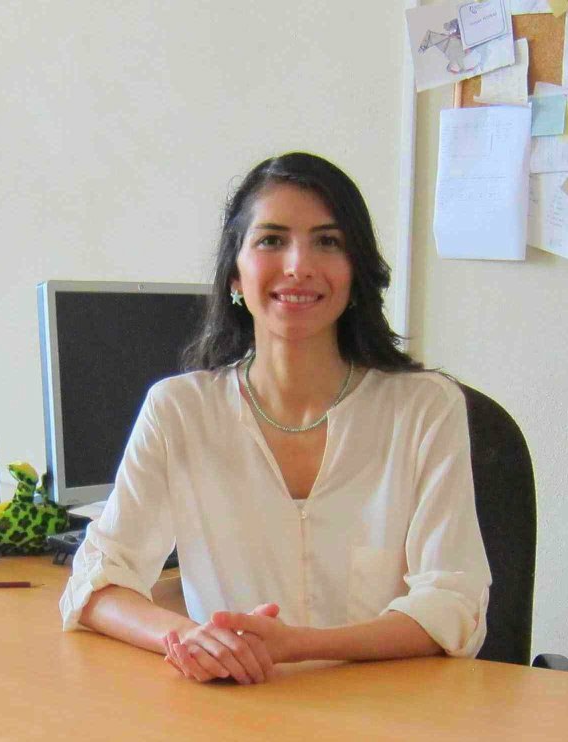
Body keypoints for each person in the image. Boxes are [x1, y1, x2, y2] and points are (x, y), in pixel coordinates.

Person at [59, 152, 491, 685]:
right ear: (234, 274)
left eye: (327, 242)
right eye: (271, 240)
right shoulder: (179, 410)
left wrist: (297, 647)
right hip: (238, 703)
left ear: (356, 272)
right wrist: (189, 638)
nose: (298, 266)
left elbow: (453, 602)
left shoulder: (424, 408)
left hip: (389, 707)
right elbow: (95, 583)